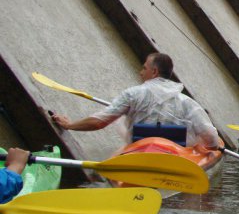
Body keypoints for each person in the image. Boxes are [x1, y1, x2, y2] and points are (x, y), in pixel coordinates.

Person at [51, 53, 221, 148]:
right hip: (175, 158)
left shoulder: (132, 94)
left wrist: (69, 125)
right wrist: (207, 151)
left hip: (139, 153)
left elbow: (99, 122)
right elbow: (211, 137)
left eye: (144, 68)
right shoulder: (187, 102)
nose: (141, 72)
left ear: (154, 72)